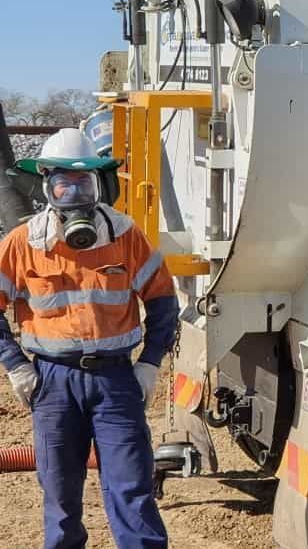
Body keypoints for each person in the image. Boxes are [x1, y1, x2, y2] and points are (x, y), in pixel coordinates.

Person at [0, 128, 178, 548]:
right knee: (60, 495)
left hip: (115, 381)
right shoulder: (22, 244)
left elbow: (164, 302)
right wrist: (17, 367)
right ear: (47, 186)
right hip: (52, 384)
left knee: (133, 489)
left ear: (100, 184)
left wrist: (150, 363)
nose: (74, 192)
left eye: (84, 183)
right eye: (64, 182)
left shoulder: (125, 235)